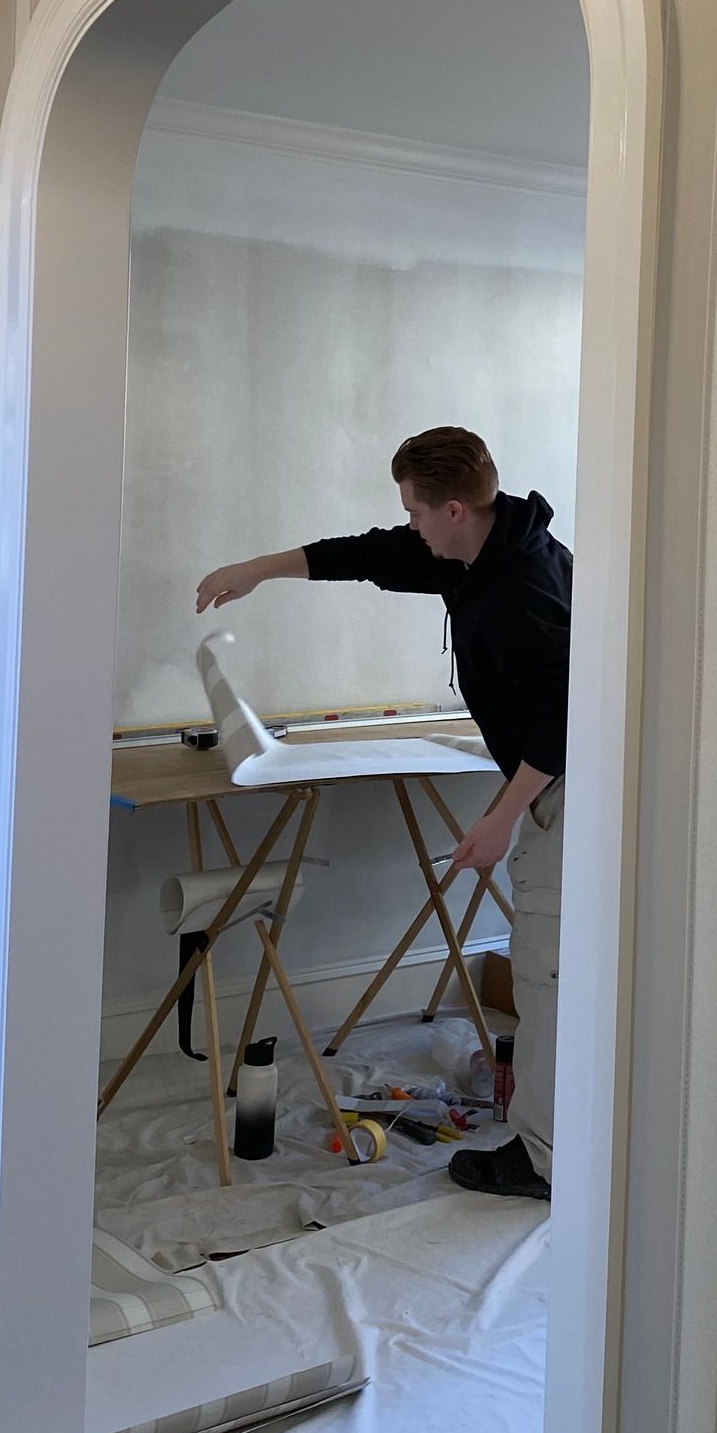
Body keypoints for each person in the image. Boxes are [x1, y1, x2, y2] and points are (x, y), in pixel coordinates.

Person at [195, 426, 570, 1202]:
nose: (409, 527)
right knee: (550, 965)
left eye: (416, 512)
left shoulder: (523, 586)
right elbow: (368, 554)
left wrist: (502, 816)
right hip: (550, 781)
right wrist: (260, 570)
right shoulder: (473, 553)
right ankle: (562, 1141)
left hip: (568, 784)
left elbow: (567, 713)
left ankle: (545, 1161)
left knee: (545, 971)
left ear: (456, 508)